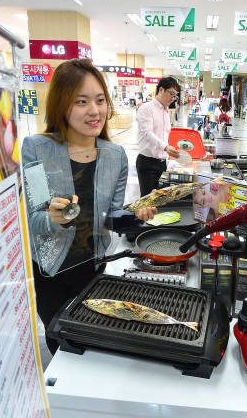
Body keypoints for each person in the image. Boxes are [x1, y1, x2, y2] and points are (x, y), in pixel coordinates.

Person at [22, 59, 156, 352]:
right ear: (61, 104)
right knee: (61, 341)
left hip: (93, 268)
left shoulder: (115, 155)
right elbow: (32, 219)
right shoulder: (36, 148)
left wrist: (137, 216)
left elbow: (110, 217)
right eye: (81, 101)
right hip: (52, 271)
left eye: (99, 100)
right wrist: (53, 218)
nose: (94, 111)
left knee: (93, 342)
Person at [136, 76, 181, 196]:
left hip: (162, 163)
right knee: (147, 202)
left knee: (159, 200)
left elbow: (162, 137)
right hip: (147, 163)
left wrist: (169, 151)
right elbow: (147, 134)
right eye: (171, 94)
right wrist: (166, 147)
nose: (173, 98)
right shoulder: (146, 108)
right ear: (161, 90)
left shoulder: (165, 112)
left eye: (175, 95)